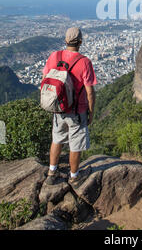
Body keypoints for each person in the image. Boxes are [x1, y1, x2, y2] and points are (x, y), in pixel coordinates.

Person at [42, 27, 97, 187]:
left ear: (66, 41)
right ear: (80, 42)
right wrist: (91, 112)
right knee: (76, 145)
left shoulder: (54, 56)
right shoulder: (84, 62)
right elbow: (90, 92)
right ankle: (74, 176)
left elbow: (45, 78)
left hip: (58, 109)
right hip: (77, 112)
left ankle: (52, 172)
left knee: (57, 139)